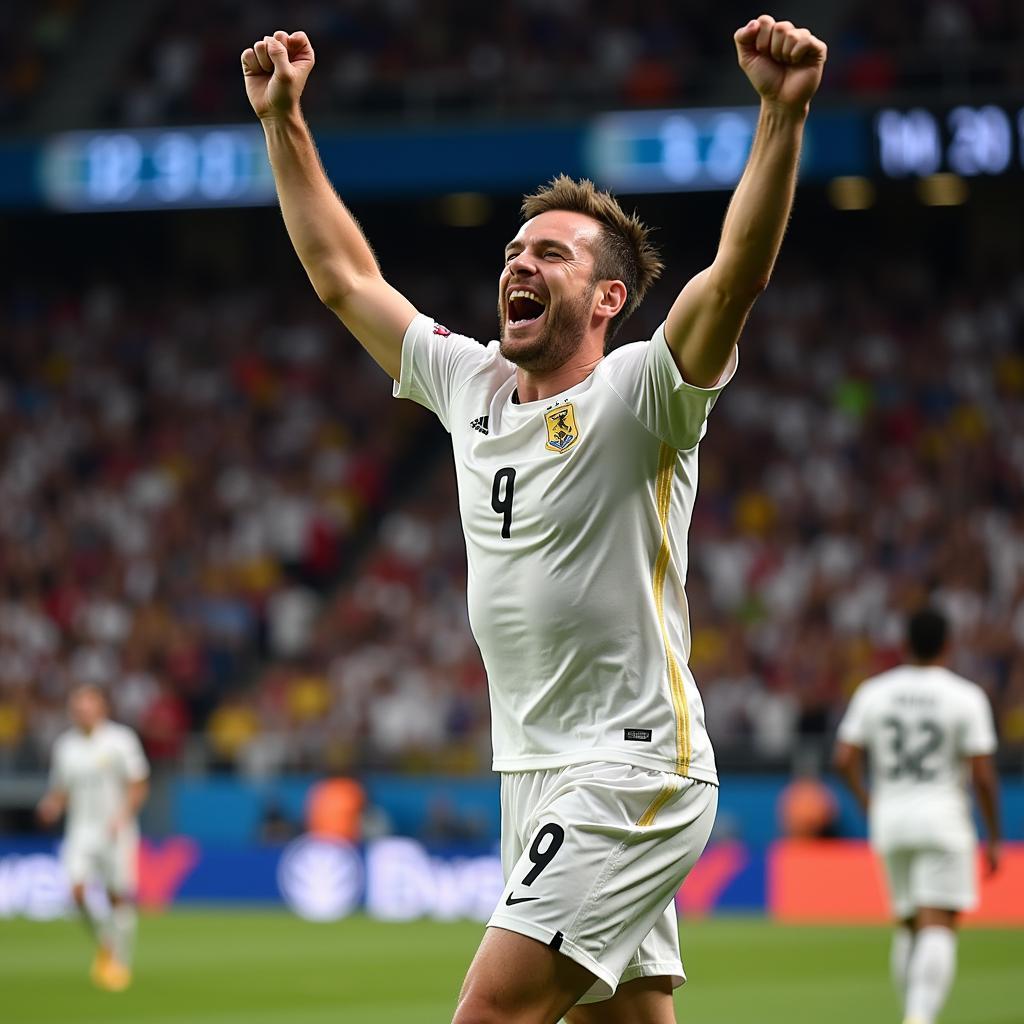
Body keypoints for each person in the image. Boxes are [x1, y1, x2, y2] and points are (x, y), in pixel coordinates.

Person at [242, 15, 826, 1023]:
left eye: (549, 254)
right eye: (515, 248)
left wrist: (778, 115)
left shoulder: (643, 393)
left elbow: (734, 278)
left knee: (489, 1014)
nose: (520, 261)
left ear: (607, 297)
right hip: (536, 770)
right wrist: (283, 121)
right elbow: (344, 278)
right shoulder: (468, 382)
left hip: (631, 762)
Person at [834, 608, 1001, 1024]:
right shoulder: (965, 696)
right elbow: (981, 774)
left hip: (890, 820)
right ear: (948, 645)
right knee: (938, 924)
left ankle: (913, 1011)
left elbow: (843, 758)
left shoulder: (874, 691)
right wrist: (994, 835)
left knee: (909, 924)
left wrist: (866, 799)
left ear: (905, 645)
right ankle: (919, 1017)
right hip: (942, 819)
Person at [37, 684, 150, 991]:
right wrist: (52, 805)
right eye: (77, 707)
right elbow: (60, 790)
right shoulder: (65, 746)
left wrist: (123, 815)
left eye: (88, 706)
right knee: (75, 893)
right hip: (80, 830)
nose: (82, 712)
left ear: (102, 708)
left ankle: (120, 962)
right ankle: (106, 941)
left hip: (116, 829)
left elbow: (139, 784)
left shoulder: (121, 740)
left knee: (117, 897)